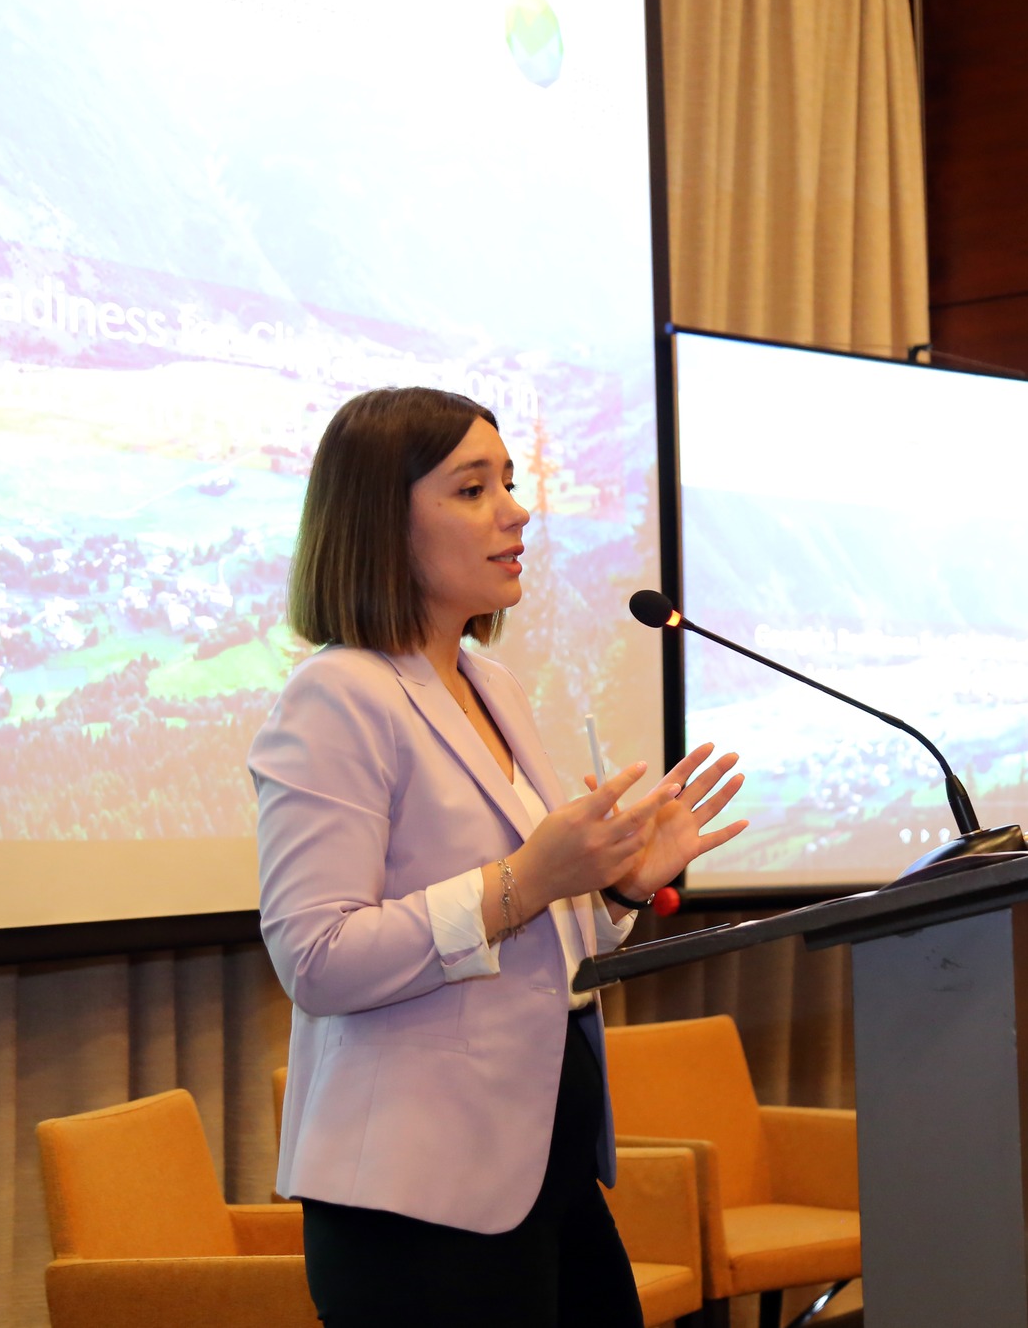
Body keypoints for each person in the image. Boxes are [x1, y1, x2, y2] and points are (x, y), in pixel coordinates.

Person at [250, 386, 749, 1327]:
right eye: (473, 489)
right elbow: (316, 958)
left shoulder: (491, 683)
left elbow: (534, 927)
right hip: (417, 1200)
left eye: (510, 483)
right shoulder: (337, 695)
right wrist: (529, 880)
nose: (517, 511)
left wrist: (617, 887)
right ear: (381, 521)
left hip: (541, 1168)